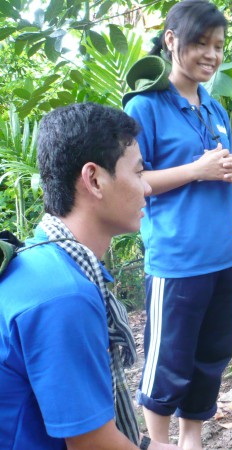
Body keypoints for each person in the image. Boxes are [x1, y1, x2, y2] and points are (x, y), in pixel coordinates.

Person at [0, 103, 180, 449]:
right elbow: (91, 445)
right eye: (138, 173)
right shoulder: (64, 296)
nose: (146, 188)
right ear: (94, 180)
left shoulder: (40, 264)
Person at [123, 1, 232, 448]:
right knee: (168, 359)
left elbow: (214, 169)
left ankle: (191, 439)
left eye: (218, 45)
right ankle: (158, 441)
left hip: (225, 255)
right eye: (200, 43)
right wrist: (197, 169)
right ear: (171, 39)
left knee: (212, 355)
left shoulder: (214, 107)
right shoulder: (145, 107)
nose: (211, 55)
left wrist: (230, 168)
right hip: (177, 259)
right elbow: (133, 182)